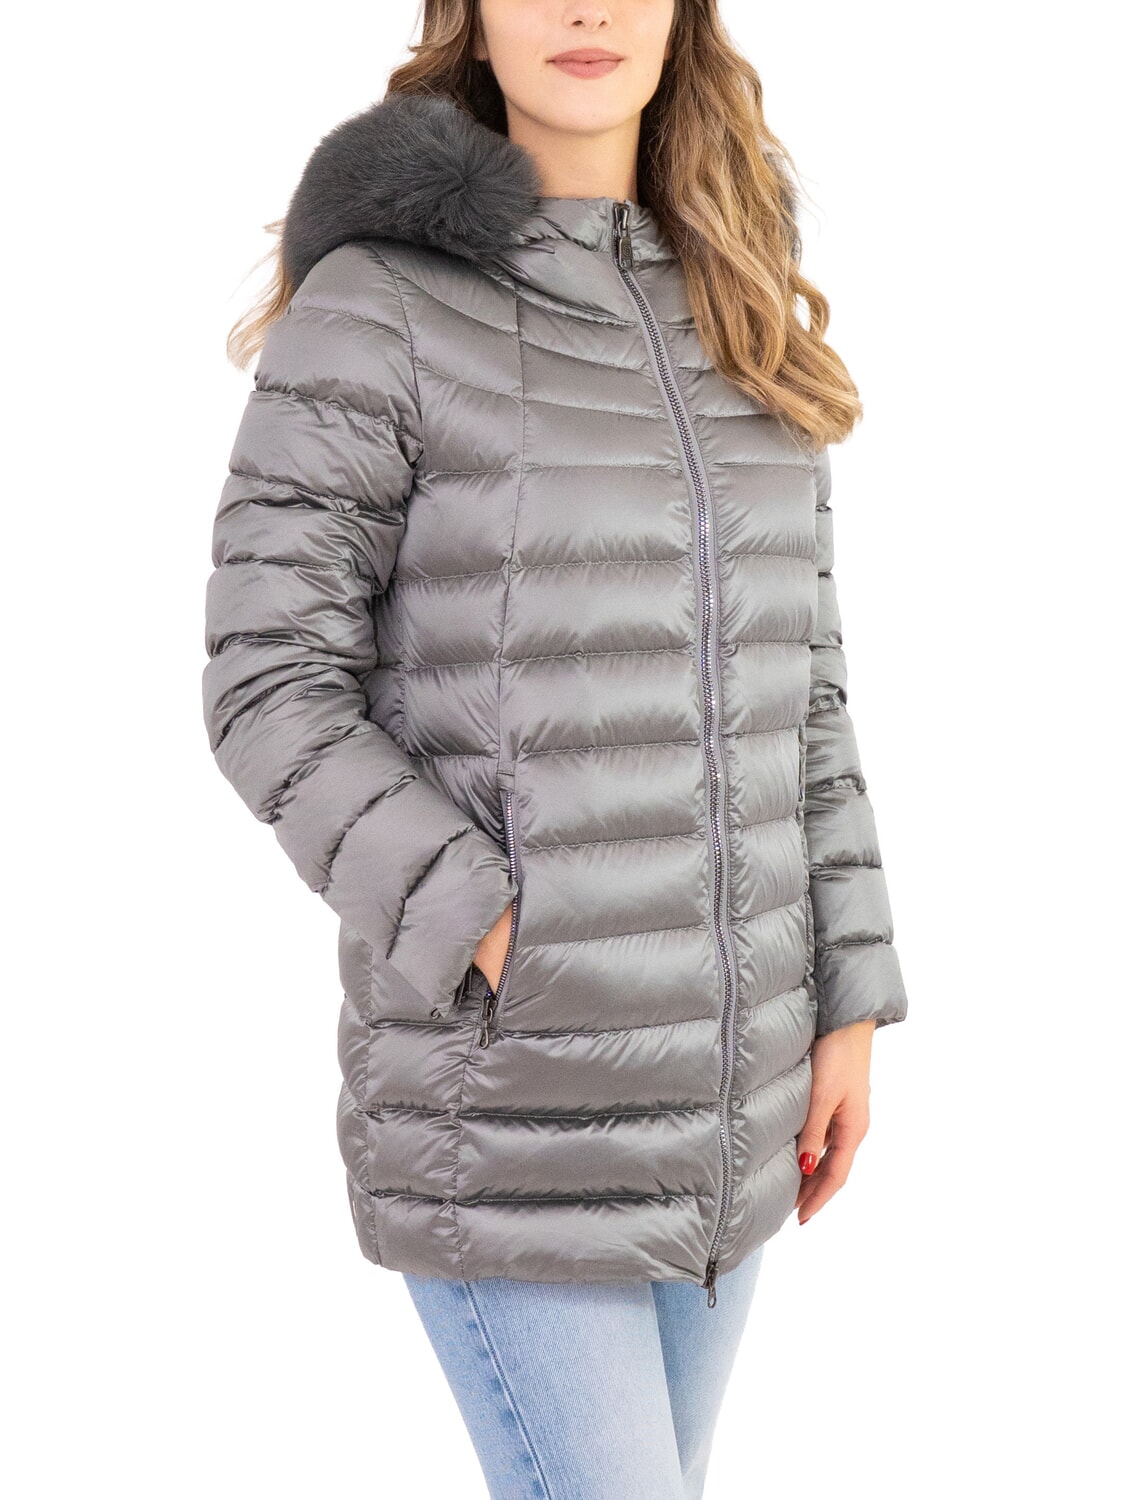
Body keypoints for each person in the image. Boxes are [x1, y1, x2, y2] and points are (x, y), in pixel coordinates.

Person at [202, 3, 909, 1495]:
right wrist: (485, 920)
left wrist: (845, 994)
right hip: (509, 1100)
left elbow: (807, 692)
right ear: (466, 15)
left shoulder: (737, 301)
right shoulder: (382, 305)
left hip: (737, 1103)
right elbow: (270, 681)